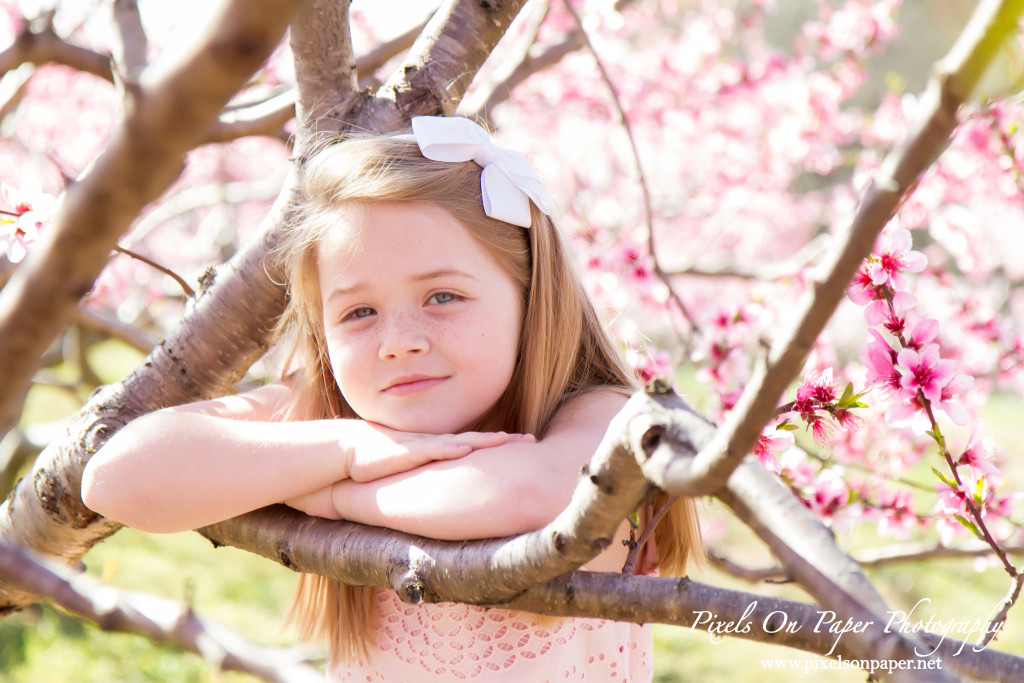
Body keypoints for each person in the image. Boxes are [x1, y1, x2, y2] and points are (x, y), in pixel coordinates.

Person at [82, 116, 702, 681]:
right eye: (359, 312)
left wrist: (328, 491)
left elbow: (529, 495)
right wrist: (346, 444)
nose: (398, 344)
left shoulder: (604, 416)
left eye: (443, 297)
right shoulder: (340, 422)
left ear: (531, 296)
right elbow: (115, 477)